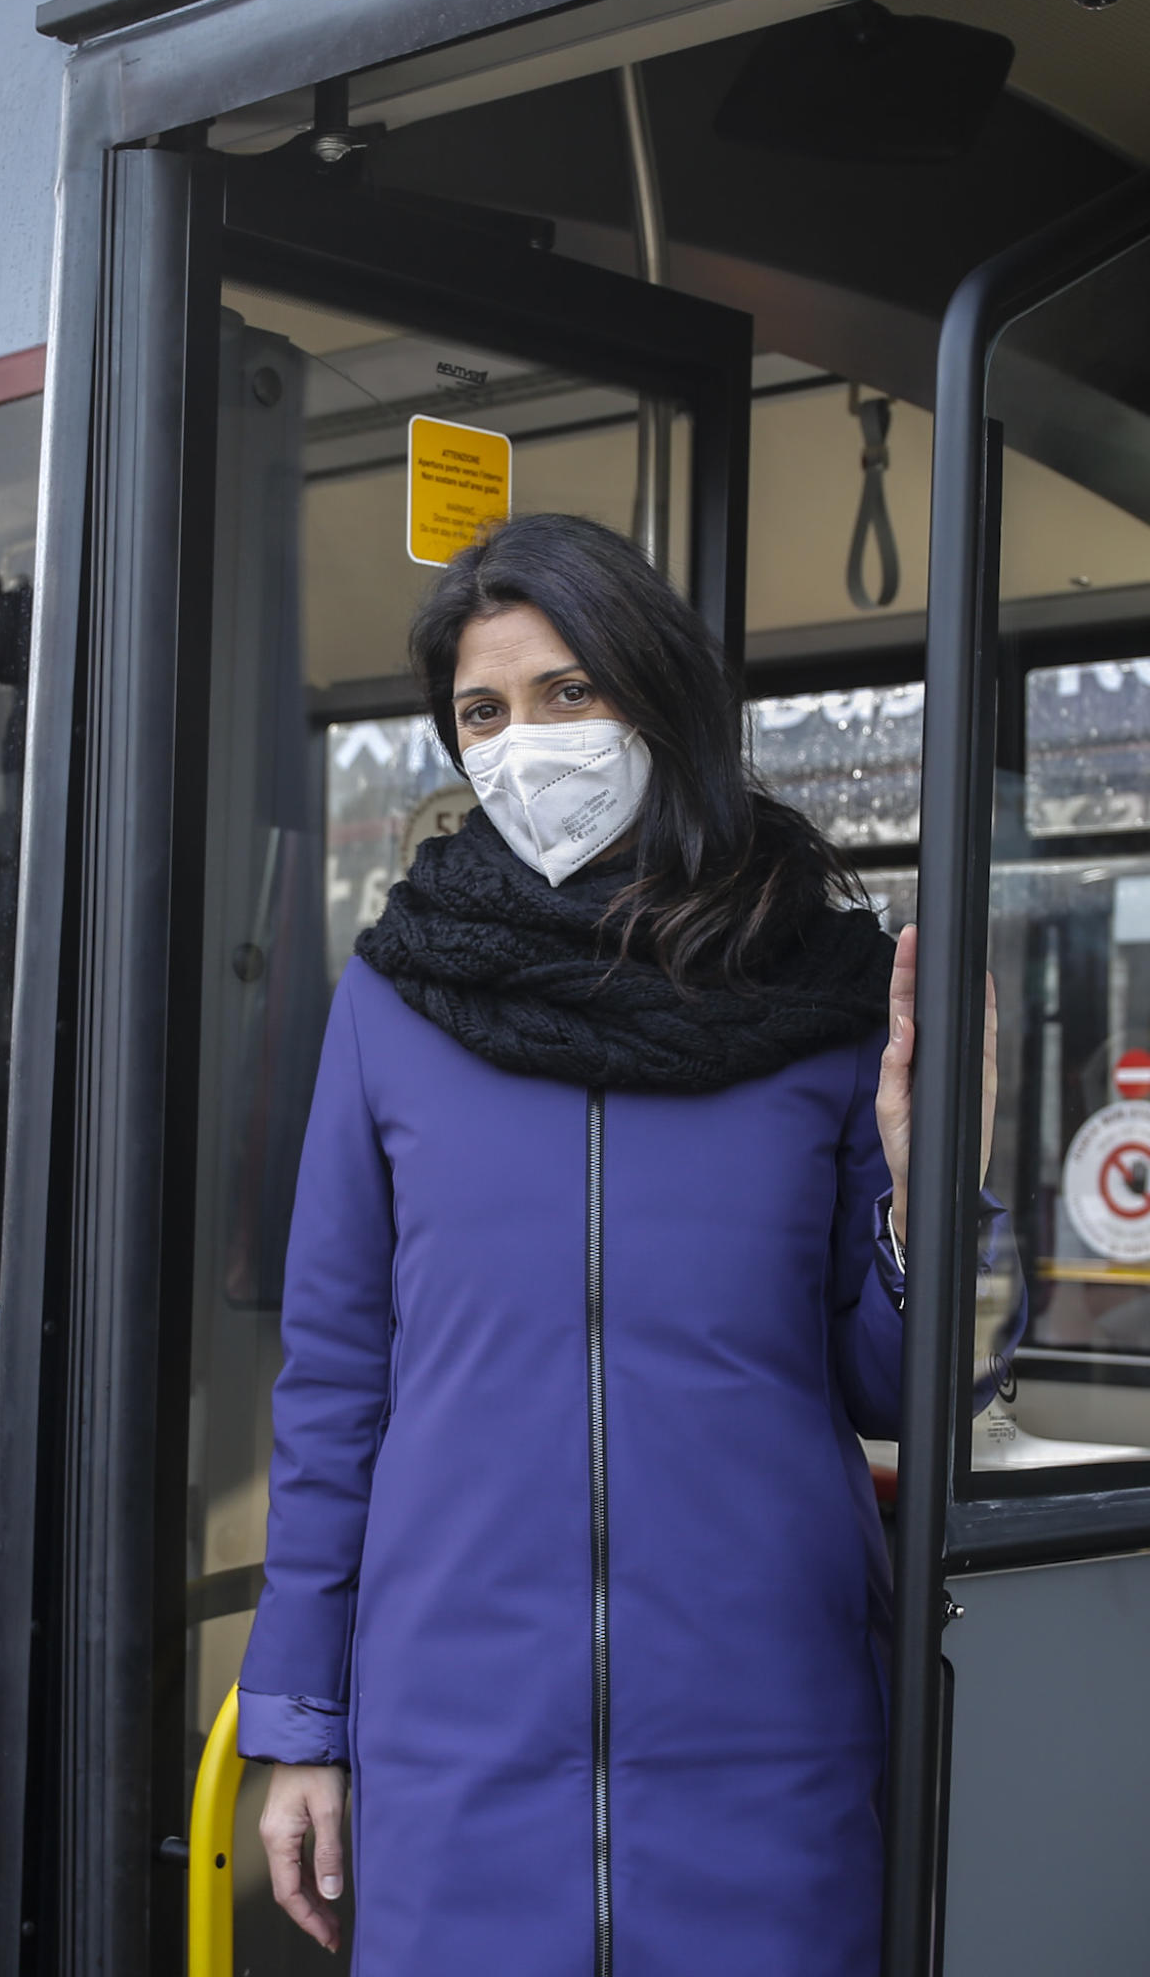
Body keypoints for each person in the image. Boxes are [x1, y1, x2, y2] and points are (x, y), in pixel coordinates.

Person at [240, 512, 1014, 1973]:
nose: (523, 742)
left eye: (567, 694)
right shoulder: (396, 998)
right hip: (456, 1735)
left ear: (658, 699)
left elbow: (897, 1392)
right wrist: (301, 1729)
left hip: (768, 1732)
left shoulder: (828, 998)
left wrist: (926, 1189)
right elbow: (335, 1384)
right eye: (483, 710)